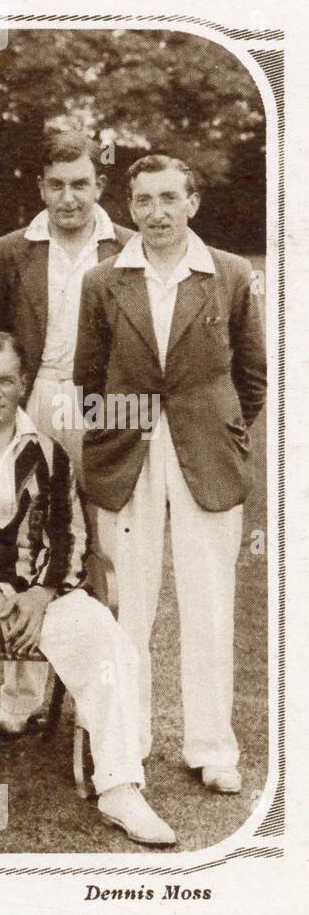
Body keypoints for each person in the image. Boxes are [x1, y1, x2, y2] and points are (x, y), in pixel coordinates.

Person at [0, 331, 176, 846]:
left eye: (6, 381)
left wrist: (40, 594)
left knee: (104, 635)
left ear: (23, 384)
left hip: (41, 595)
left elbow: (70, 534)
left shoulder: (52, 454)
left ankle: (120, 785)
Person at [74, 155, 265, 796]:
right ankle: (128, 742)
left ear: (192, 203)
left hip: (205, 457)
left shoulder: (232, 274)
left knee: (209, 601)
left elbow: (252, 378)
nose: (155, 213)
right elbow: (88, 378)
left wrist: (224, 433)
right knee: (130, 604)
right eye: (143, 201)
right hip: (127, 456)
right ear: (130, 209)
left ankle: (211, 746)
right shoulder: (104, 280)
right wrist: (118, 435)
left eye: (168, 199)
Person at [0, 130, 133, 736]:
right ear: (40, 188)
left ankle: (106, 702)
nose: (68, 198)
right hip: (33, 394)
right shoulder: (11, 250)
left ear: (100, 186)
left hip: (104, 405)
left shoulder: (126, 247)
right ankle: (18, 695)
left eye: (80, 185)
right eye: (56, 185)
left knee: (108, 544)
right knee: (25, 533)